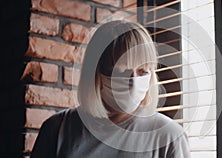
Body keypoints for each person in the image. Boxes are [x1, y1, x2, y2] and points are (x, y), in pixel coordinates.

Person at [31, 20, 191, 158]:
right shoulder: (57, 129)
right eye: (121, 71)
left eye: (143, 71)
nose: (134, 81)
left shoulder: (169, 137)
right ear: (96, 74)